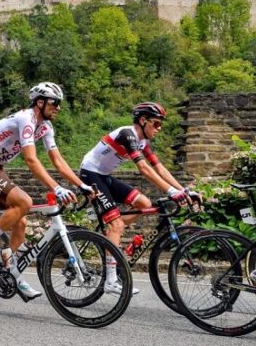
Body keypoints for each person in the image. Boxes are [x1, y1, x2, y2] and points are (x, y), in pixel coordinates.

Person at [0, 82, 91, 299]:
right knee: (24, 202)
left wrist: (81, 185)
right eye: (55, 103)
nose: (59, 108)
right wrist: (56, 187)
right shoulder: (27, 119)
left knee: (21, 220)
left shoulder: (45, 127)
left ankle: (10, 272)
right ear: (40, 102)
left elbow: (58, 161)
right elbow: (31, 160)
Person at [79, 102, 195, 295]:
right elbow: (144, 169)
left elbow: (159, 168)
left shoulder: (143, 142)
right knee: (117, 225)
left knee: (144, 203)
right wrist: (170, 192)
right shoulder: (127, 135)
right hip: (90, 174)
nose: (159, 129)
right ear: (143, 121)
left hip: (104, 176)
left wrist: (182, 189)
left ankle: (111, 231)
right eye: (156, 124)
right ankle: (111, 279)